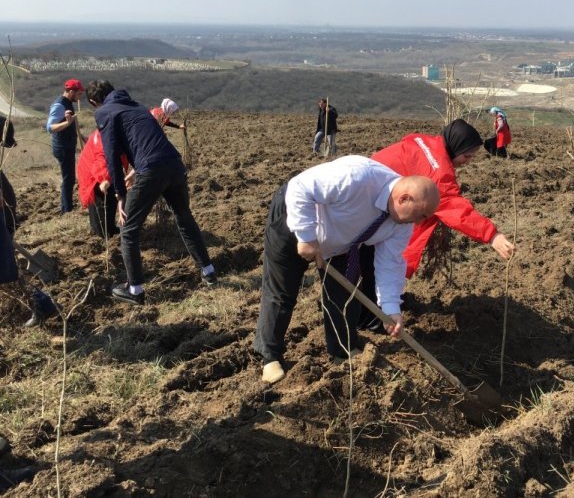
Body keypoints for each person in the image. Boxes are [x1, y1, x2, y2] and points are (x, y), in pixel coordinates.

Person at [254, 155, 439, 384]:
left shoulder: (402, 225)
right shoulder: (357, 178)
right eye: (421, 215)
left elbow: (389, 263)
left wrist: (391, 308)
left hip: (341, 240)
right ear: (404, 198)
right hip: (296, 216)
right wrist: (306, 235)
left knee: (343, 294)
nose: (420, 223)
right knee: (282, 291)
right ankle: (270, 356)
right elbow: (300, 188)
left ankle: (341, 350)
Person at [86, 80, 217, 305]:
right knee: (184, 216)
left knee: (128, 229)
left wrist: (120, 195)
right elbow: (153, 142)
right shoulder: (137, 106)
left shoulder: (105, 113)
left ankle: (134, 290)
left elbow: (111, 155)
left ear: (93, 102)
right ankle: (209, 271)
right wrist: (138, 169)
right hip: (173, 164)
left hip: (151, 169)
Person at [371, 119, 516, 279]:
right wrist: (493, 236)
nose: (467, 162)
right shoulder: (437, 173)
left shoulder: (425, 142)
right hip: (372, 207)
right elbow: (456, 209)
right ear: (456, 146)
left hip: (371, 190)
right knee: (379, 260)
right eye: (466, 156)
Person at [1, 123, 59, 328]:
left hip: (4, 212)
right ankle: (41, 303)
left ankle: (41, 303)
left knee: (6, 269)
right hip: (5, 211)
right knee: (6, 268)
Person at [76, 128, 129, 239]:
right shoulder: (106, 135)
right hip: (94, 173)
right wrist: (104, 178)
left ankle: (109, 228)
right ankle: (102, 233)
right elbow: (101, 158)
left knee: (111, 198)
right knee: (101, 201)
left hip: (105, 169)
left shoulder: (112, 130)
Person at [46, 79, 86, 214]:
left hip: (68, 145)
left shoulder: (68, 103)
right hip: (62, 147)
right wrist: (67, 124)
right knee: (68, 178)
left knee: (69, 178)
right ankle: (66, 209)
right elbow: (50, 127)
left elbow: (70, 124)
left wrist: (82, 137)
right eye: (79, 94)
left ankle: (67, 206)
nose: (80, 97)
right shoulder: (59, 105)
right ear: (71, 92)